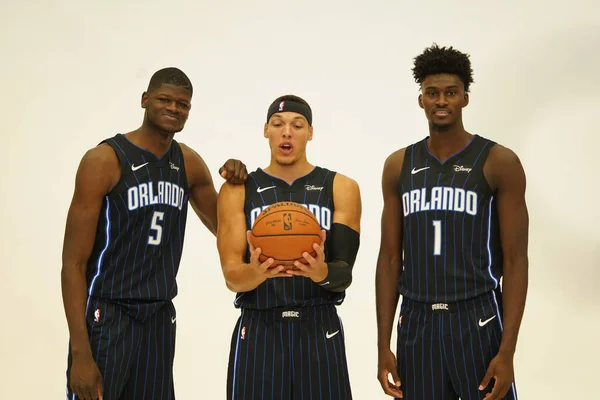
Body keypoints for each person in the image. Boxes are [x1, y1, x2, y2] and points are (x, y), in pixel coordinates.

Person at [61, 67, 248, 400]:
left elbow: (229, 232)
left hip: (159, 316)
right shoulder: (103, 160)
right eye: (165, 99)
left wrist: (237, 187)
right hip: (108, 313)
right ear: (145, 99)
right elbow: (73, 264)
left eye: (183, 104)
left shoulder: (188, 163)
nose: (173, 108)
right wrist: (80, 352)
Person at [376, 44, 529, 400]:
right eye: (432, 93)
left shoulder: (497, 161)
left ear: (465, 98)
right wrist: (383, 344)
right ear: (421, 100)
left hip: (477, 316)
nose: (441, 100)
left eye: (450, 93)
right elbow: (388, 260)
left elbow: (516, 260)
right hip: (417, 321)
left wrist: (507, 351)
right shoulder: (398, 165)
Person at [217, 95, 362, 400]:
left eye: (297, 125)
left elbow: (343, 274)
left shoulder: (341, 187)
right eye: (278, 124)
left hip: (319, 324)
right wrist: (257, 273)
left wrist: (321, 271)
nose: (287, 132)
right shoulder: (239, 189)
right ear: (266, 130)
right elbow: (232, 276)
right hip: (260, 326)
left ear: (310, 132)